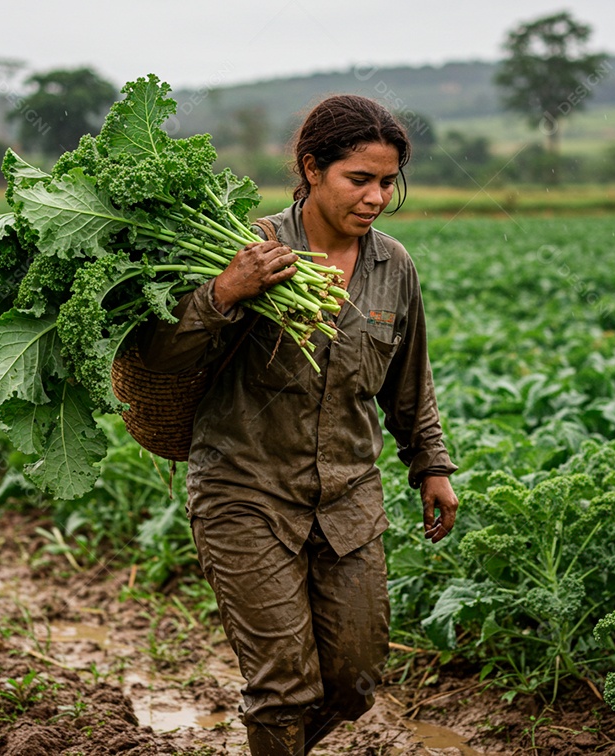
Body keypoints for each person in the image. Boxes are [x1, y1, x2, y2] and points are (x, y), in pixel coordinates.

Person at [139, 94, 458, 755]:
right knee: (282, 686)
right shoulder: (248, 248)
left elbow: (408, 377)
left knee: (356, 680)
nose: (375, 197)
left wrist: (430, 464)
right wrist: (224, 292)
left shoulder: (391, 266)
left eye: (387, 182)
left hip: (347, 497)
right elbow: (162, 357)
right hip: (244, 491)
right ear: (312, 169)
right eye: (359, 179)